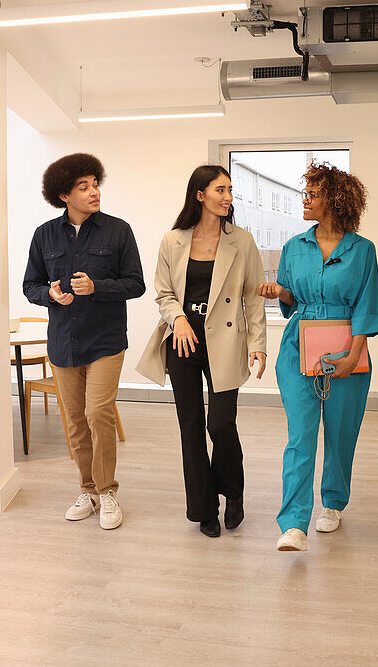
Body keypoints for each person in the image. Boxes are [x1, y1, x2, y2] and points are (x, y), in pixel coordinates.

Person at [257, 163, 378, 553]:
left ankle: (333, 502)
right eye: (306, 192)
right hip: (299, 347)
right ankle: (294, 523)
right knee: (300, 437)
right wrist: (280, 291)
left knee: (341, 435)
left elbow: (366, 307)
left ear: (335, 200)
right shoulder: (294, 246)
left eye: (312, 194)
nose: (305, 200)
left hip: (348, 347)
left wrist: (354, 355)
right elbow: (293, 300)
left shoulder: (362, 250)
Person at [137, 165, 267, 538]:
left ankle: (234, 493)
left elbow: (253, 297)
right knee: (191, 425)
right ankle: (204, 508)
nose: (228, 197)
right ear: (200, 195)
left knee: (220, 423)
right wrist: (176, 319)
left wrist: (257, 345)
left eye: (230, 190)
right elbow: (163, 293)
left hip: (226, 339)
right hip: (183, 338)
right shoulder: (172, 240)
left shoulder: (241, 241)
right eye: (220, 190)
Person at [23, 153, 145, 530]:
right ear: (64, 195)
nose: (94, 192)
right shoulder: (45, 235)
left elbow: (136, 284)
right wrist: (50, 295)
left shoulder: (118, 230)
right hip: (63, 342)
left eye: (96, 184)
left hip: (106, 341)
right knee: (75, 422)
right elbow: (30, 285)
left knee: (97, 414)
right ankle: (88, 490)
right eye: (84, 187)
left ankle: (108, 491)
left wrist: (98, 287)